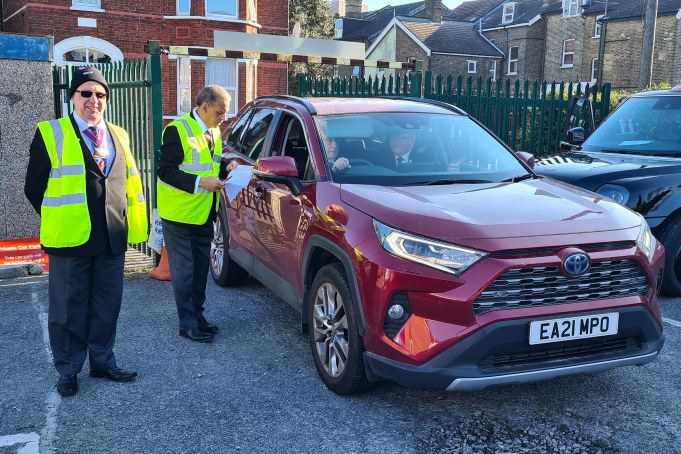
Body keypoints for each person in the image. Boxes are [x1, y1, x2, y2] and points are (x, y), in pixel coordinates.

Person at [24, 66, 148, 397]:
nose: (94, 100)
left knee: (107, 304)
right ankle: (68, 369)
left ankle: (103, 360)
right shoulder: (51, 132)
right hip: (70, 238)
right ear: (72, 97)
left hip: (112, 235)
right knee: (68, 307)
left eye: (100, 94)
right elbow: (34, 188)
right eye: (86, 93)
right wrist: (62, 218)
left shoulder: (119, 133)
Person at [157, 85, 232, 343]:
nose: (223, 117)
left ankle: (198, 318)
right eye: (220, 112)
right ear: (204, 107)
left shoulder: (213, 129)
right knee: (185, 272)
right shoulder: (177, 130)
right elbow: (165, 171)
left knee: (200, 270)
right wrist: (201, 182)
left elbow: (210, 160)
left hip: (203, 212)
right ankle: (187, 324)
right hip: (179, 214)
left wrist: (225, 166)